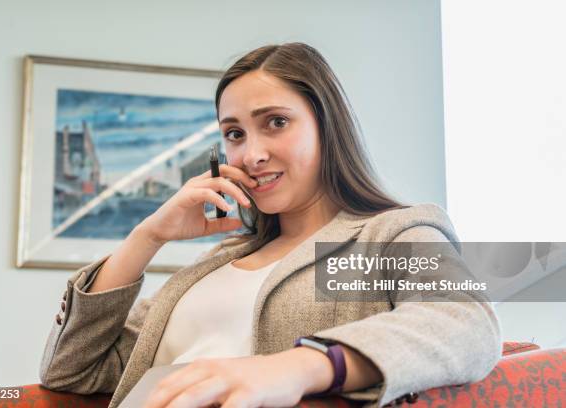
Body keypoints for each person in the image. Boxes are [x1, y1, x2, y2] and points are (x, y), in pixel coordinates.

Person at [39, 42, 502, 408]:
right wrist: (148, 236)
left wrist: (298, 366)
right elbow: (70, 371)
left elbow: (463, 321)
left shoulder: (385, 235)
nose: (252, 154)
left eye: (276, 122)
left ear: (327, 127)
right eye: (235, 133)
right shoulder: (217, 262)